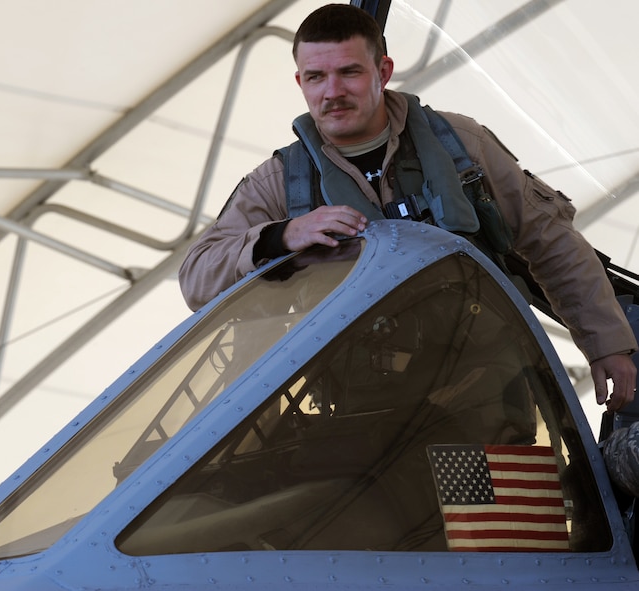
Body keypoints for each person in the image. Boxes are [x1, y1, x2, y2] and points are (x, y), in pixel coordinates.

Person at [178, 3, 637, 412]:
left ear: (384, 71)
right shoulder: (282, 181)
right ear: (300, 82)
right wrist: (282, 236)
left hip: (489, 395)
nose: (331, 91)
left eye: (349, 72)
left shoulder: (461, 145)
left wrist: (607, 345)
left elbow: (551, 241)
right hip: (364, 419)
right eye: (316, 77)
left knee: (508, 510)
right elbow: (197, 277)